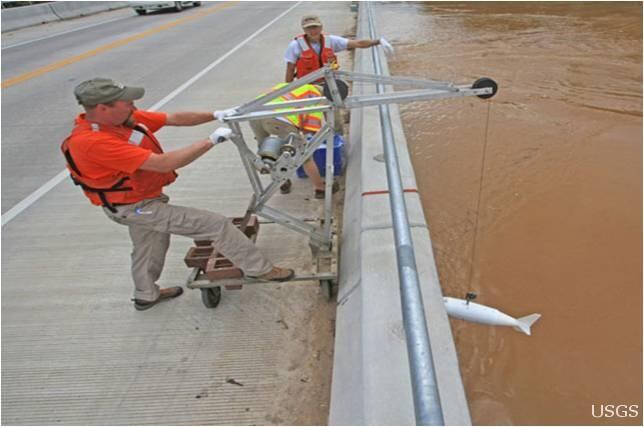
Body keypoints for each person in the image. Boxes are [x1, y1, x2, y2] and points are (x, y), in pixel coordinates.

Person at [62, 78, 294, 311]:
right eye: (127, 103)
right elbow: (163, 164)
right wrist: (210, 141)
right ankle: (261, 270)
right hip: (135, 208)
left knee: (149, 245)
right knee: (215, 224)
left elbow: (172, 119)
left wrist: (216, 114)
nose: (134, 107)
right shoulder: (94, 143)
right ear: (103, 108)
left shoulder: (121, 120)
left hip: (140, 200)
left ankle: (146, 295)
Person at [284, 15, 394, 134]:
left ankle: (338, 141)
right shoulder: (295, 46)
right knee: (309, 122)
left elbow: (357, 43)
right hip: (308, 89)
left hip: (329, 87)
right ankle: (310, 145)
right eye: (308, 28)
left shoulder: (331, 41)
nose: (312, 31)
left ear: (321, 27)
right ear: (304, 30)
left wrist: (378, 41)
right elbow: (290, 69)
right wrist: (287, 91)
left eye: (315, 27)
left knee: (335, 119)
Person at [248, 82, 339, 198]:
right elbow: (310, 129)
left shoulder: (297, 86)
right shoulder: (316, 96)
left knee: (268, 151)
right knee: (304, 154)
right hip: (278, 118)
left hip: (253, 114)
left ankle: (282, 183)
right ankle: (320, 187)